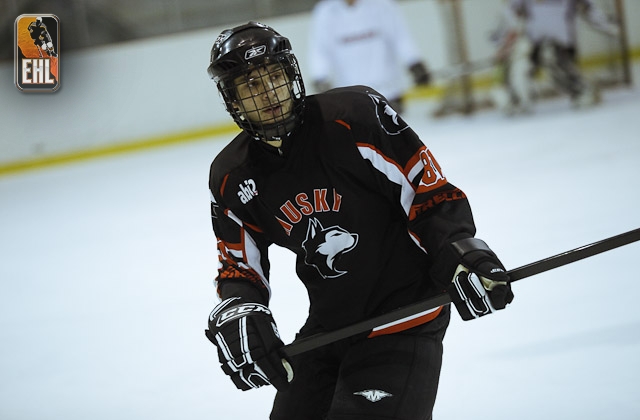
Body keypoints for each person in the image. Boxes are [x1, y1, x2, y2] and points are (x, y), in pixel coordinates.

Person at [204, 22, 514, 420]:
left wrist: (458, 249)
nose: (268, 93)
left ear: (291, 74)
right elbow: (239, 266)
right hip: (329, 328)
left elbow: (428, 193)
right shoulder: (232, 176)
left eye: (275, 77)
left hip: (404, 314)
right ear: (232, 100)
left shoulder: (355, 118)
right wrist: (241, 308)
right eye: (250, 85)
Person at [493, 0, 619, 112]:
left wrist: (609, 26)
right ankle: (517, 98)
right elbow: (509, 12)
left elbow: (589, 9)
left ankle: (582, 90)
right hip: (534, 41)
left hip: (562, 41)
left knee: (550, 57)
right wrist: (503, 42)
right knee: (521, 63)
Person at [308, 0, 431, 113]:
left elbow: (401, 38)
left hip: (389, 94)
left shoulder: (383, 5)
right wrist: (320, 76)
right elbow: (320, 49)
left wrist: (414, 62)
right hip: (351, 99)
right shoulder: (326, 11)